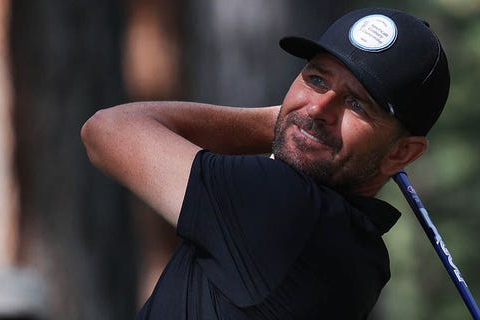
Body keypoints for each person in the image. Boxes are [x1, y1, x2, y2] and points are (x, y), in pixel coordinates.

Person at [81, 7, 449, 320]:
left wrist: (281, 119)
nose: (320, 108)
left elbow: (108, 130)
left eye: (357, 105)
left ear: (402, 153)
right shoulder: (362, 254)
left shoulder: (284, 204)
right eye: (317, 79)